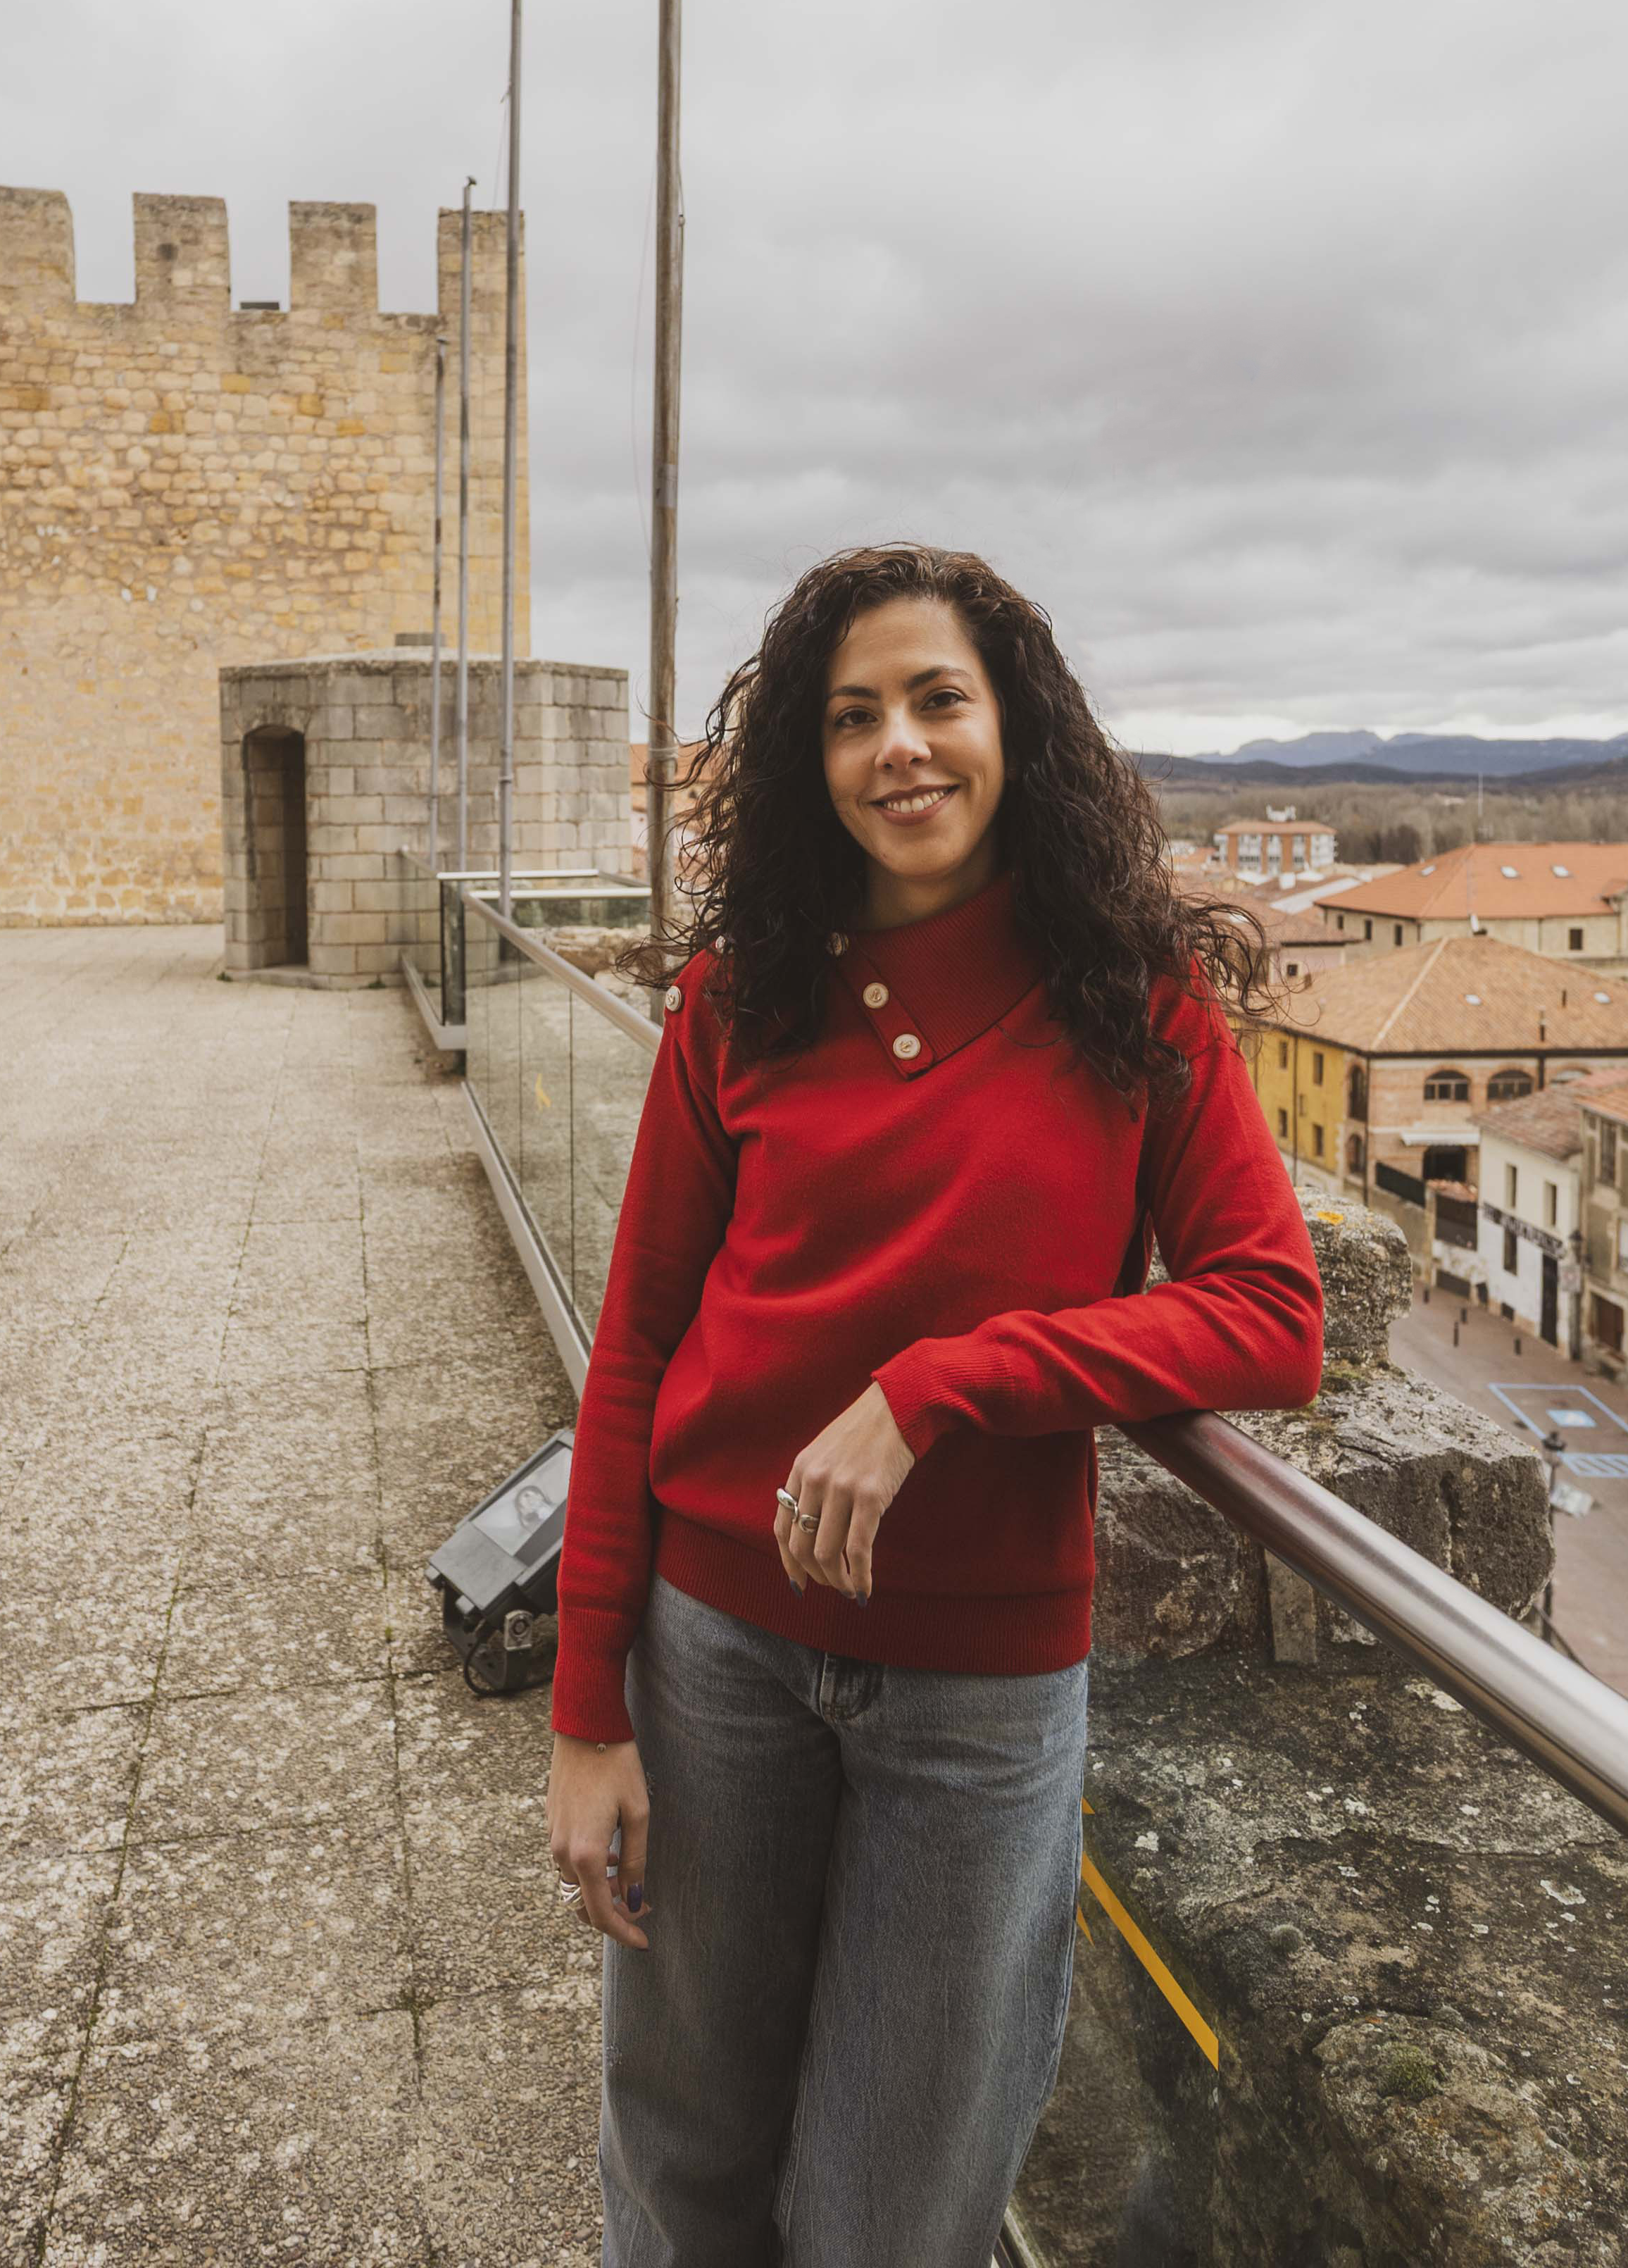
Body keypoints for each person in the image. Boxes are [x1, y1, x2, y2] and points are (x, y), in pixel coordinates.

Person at [544, 542, 1323, 2267]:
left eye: (937, 699)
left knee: (896, 2210)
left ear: (1013, 726)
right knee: (682, 2171)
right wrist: (587, 1711)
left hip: (979, 1696)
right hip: (715, 1648)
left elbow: (1274, 1311)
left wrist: (953, 1381)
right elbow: (638, 1353)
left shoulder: (1135, 1005)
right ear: (811, 766)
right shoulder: (736, 1001)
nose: (900, 745)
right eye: (852, 715)